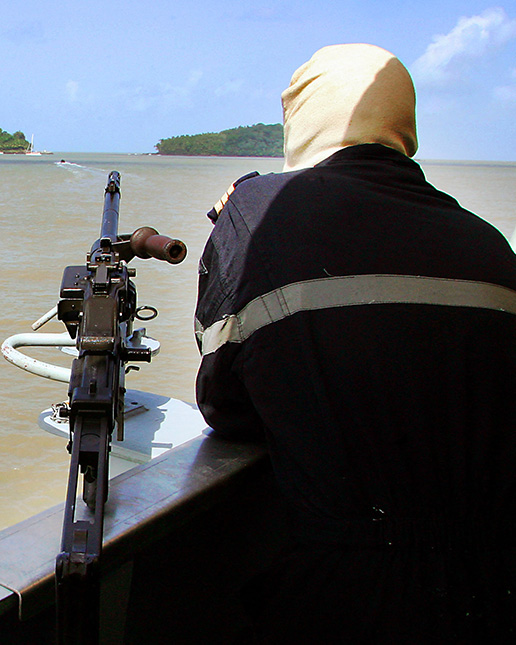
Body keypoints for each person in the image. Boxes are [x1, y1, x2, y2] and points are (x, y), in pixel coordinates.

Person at [194, 43, 516, 642]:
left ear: (305, 117)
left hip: (346, 596)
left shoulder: (257, 209)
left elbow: (224, 401)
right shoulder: (489, 243)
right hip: (492, 588)